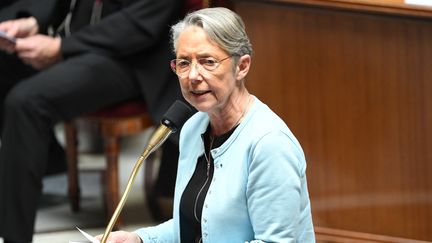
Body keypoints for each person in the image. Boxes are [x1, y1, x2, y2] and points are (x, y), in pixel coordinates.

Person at [97, 7, 315, 243]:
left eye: (207, 62)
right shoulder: (193, 129)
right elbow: (198, 226)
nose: (193, 76)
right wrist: (139, 239)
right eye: (183, 63)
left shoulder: (270, 144)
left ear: (241, 66)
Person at [0, 0, 194, 242]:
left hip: (131, 57)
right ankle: (49, 158)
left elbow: (139, 24)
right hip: (81, 45)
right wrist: (34, 21)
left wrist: (62, 46)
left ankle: (14, 237)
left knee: (26, 102)